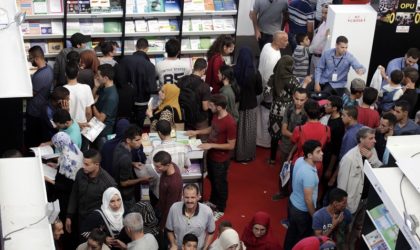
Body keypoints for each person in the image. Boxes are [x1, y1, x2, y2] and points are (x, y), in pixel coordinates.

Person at [186, 95, 237, 216]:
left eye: (211, 105)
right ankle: (213, 202)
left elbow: (231, 146)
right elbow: (212, 128)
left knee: (220, 184)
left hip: (221, 160)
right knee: (213, 181)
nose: (209, 107)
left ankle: (220, 208)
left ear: (219, 107)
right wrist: (196, 132)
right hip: (211, 156)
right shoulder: (215, 115)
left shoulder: (230, 123)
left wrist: (211, 146)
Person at [337, 127, 382, 250]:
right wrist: (342, 207)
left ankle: (351, 245)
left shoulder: (373, 151)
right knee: (346, 229)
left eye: (374, 138)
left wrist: (372, 158)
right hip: (351, 203)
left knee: (357, 227)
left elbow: (380, 171)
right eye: (371, 138)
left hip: (365, 200)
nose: (375, 141)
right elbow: (341, 186)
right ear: (361, 140)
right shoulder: (349, 158)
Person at [267, 56, 311, 165]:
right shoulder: (292, 80)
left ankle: (272, 159)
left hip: (275, 110)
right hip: (290, 110)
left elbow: (266, 94)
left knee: (275, 135)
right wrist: (305, 83)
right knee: (288, 134)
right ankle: (288, 159)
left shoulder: (273, 77)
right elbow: (299, 93)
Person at [284, 140, 324, 250]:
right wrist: (314, 216)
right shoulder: (309, 174)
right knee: (302, 239)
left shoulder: (300, 160)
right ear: (310, 155)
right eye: (318, 151)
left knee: (291, 233)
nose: (322, 153)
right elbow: (308, 199)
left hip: (293, 203)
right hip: (302, 211)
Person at [66, 149, 117, 234]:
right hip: (80, 218)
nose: (83, 166)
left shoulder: (108, 183)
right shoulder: (80, 173)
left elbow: (114, 207)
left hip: (96, 224)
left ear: (96, 164)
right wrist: (69, 215)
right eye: (83, 163)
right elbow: (74, 194)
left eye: (87, 164)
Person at [272, 88, 308, 200]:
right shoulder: (288, 108)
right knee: (283, 170)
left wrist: (294, 135)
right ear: (293, 97)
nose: (299, 102)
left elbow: (303, 135)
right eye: (297, 99)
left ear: (306, 100)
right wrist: (297, 136)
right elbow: (283, 130)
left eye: (302, 100)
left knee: (297, 173)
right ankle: (282, 191)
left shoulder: (307, 113)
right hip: (286, 145)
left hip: (299, 148)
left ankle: (295, 194)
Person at [115, 38, 157, 128]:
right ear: (147, 48)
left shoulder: (124, 60)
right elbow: (152, 88)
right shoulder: (150, 65)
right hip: (142, 101)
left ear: (136, 47)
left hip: (125, 100)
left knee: (125, 126)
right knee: (139, 128)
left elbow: (118, 79)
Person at [257, 31, 289, 148]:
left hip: (261, 86)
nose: (287, 42)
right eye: (284, 40)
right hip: (268, 91)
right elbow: (269, 78)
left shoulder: (266, 46)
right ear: (276, 40)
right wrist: (269, 95)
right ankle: (264, 141)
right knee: (267, 116)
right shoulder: (273, 58)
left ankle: (259, 137)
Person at [234, 47, 263, 162]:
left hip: (238, 105)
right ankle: (247, 155)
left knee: (238, 131)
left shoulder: (234, 71)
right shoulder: (256, 73)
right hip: (251, 105)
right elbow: (259, 91)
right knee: (249, 131)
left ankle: (236, 153)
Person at [166, 184, 216, 250]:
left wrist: (205, 247)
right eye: (187, 197)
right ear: (182, 197)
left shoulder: (207, 211)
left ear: (198, 197)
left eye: (193, 197)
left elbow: (211, 232)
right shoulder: (174, 208)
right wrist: (173, 244)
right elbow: (169, 230)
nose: (189, 201)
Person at [113, 125, 150, 210]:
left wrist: (132, 163)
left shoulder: (121, 146)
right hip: (126, 195)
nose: (140, 142)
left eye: (140, 139)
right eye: (137, 140)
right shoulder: (125, 158)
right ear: (128, 140)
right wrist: (142, 179)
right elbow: (124, 183)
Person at [49, 132, 83, 223]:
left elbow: (68, 187)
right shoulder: (72, 150)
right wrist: (56, 166)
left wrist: (50, 181)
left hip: (66, 199)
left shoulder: (68, 161)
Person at [25, 45, 54, 147]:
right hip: (40, 108)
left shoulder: (41, 75)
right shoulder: (48, 68)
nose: (30, 60)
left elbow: (32, 94)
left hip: (35, 111)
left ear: (37, 59)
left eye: (31, 58)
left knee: (32, 138)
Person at [153, 151, 183, 249]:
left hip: (168, 215)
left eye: (159, 167)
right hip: (161, 205)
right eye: (155, 166)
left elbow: (170, 208)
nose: (156, 169)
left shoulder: (174, 183)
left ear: (168, 164)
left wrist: (163, 226)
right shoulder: (170, 166)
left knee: (164, 240)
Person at [177, 58, 211, 131]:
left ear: (194, 67)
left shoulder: (181, 80)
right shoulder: (204, 86)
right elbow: (205, 107)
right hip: (199, 119)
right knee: (202, 141)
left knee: (188, 140)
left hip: (185, 117)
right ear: (204, 70)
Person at [92, 64, 119, 148]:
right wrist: (95, 87)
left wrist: (92, 104)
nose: (97, 77)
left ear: (106, 78)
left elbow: (100, 119)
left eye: (99, 75)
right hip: (96, 128)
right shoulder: (103, 88)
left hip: (103, 133)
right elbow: (92, 98)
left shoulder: (111, 96)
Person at [322, 96, 345, 188]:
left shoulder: (338, 126)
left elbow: (336, 149)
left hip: (329, 158)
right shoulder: (329, 117)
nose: (325, 106)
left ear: (335, 108)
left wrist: (330, 169)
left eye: (328, 105)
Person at [63, 62, 94, 127]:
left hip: (69, 126)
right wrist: (87, 122)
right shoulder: (86, 88)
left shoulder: (62, 90)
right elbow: (88, 112)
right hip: (84, 125)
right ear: (78, 73)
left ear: (65, 74)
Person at [309, 3, 330, 75]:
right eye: (322, 12)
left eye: (326, 13)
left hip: (320, 59)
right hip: (314, 56)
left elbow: (328, 40)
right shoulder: (323, 23)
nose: (323, 15)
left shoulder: (331, 27)